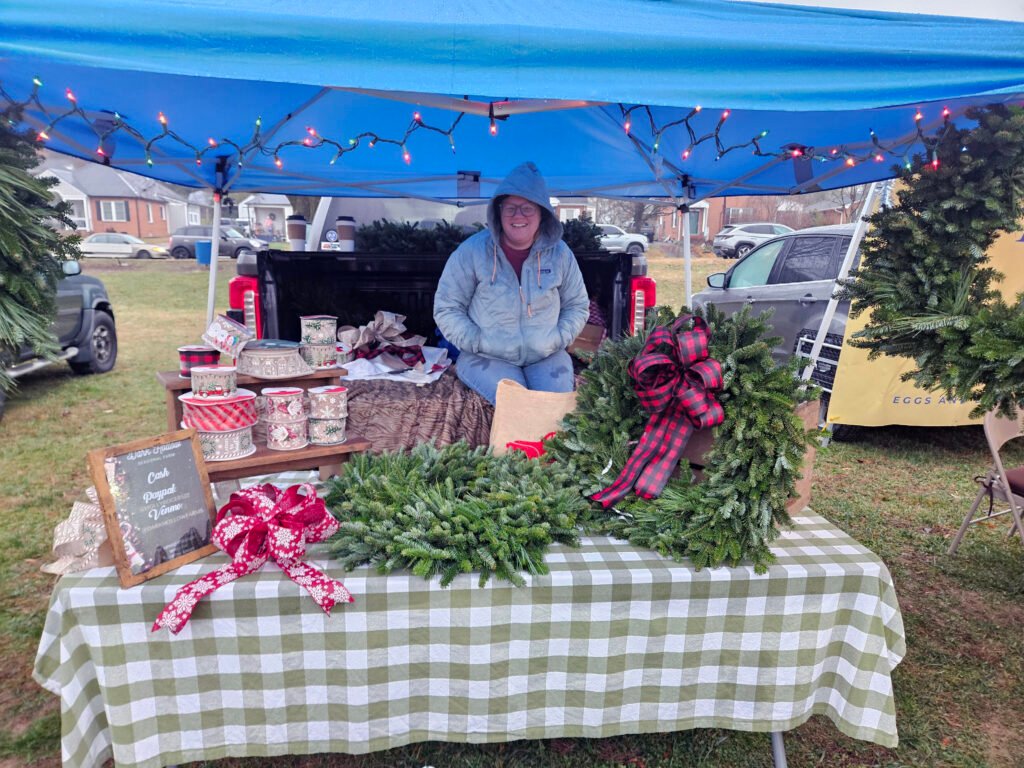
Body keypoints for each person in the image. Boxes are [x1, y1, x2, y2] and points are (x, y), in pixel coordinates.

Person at [434, 162, 589, 405]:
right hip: (487, 358)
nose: (518, 216)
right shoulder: (471, 252)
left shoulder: (560, 254)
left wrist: (558, 338)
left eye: (527, 208)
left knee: (553, 409)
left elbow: (577, 305)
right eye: (511, 208)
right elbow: (447, 308)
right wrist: (476, 341)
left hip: (546, 356)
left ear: (542, 213)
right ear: (498, 212)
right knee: (517, 405)